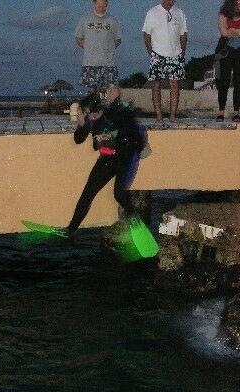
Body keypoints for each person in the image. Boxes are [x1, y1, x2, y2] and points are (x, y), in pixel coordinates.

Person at [64, 88, 144, 236]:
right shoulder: (90, 120)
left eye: (91, 114)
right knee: (87, 194)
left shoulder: (114, 116)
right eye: (86, 114)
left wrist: (108, 139)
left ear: (100, 112)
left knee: (118, 194)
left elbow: (130, 139)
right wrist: (83, 125)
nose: (90, 117)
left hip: (124, 158)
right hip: (106, 160)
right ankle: (70, 229)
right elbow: (78, 139)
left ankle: (135, 220)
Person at [142, 0, 187, 123]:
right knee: (156, 85)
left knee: (174, 85)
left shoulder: (180, 13)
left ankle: (173, 116)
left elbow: (183, 34)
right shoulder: (152, 12)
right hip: (157, 54)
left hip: (175, 54)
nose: (171, 2)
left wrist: (182, 52)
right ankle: (159, 116)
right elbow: (146, 34)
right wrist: (151, 52)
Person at [74, 0, 121, 94]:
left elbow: (118, 40)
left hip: (108, 63)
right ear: (94, 4)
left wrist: (106, 48)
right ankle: (94, 108)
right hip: (90, 63)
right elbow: (78, 38)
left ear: (107, 5)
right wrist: (89, 47)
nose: (102, 8)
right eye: (99, 6)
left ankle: (111, 107)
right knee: (93, 91)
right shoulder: (85, 19)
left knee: (113, 89)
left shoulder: (113, 20)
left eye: (104, 6)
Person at [215, 0, 240, 122]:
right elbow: (224, 32)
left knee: (238, 82)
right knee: (223, 82)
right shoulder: (223, 15)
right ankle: (221, 111)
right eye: (238, 3)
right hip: (226, 52)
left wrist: (233, 31)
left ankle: (236, 112)